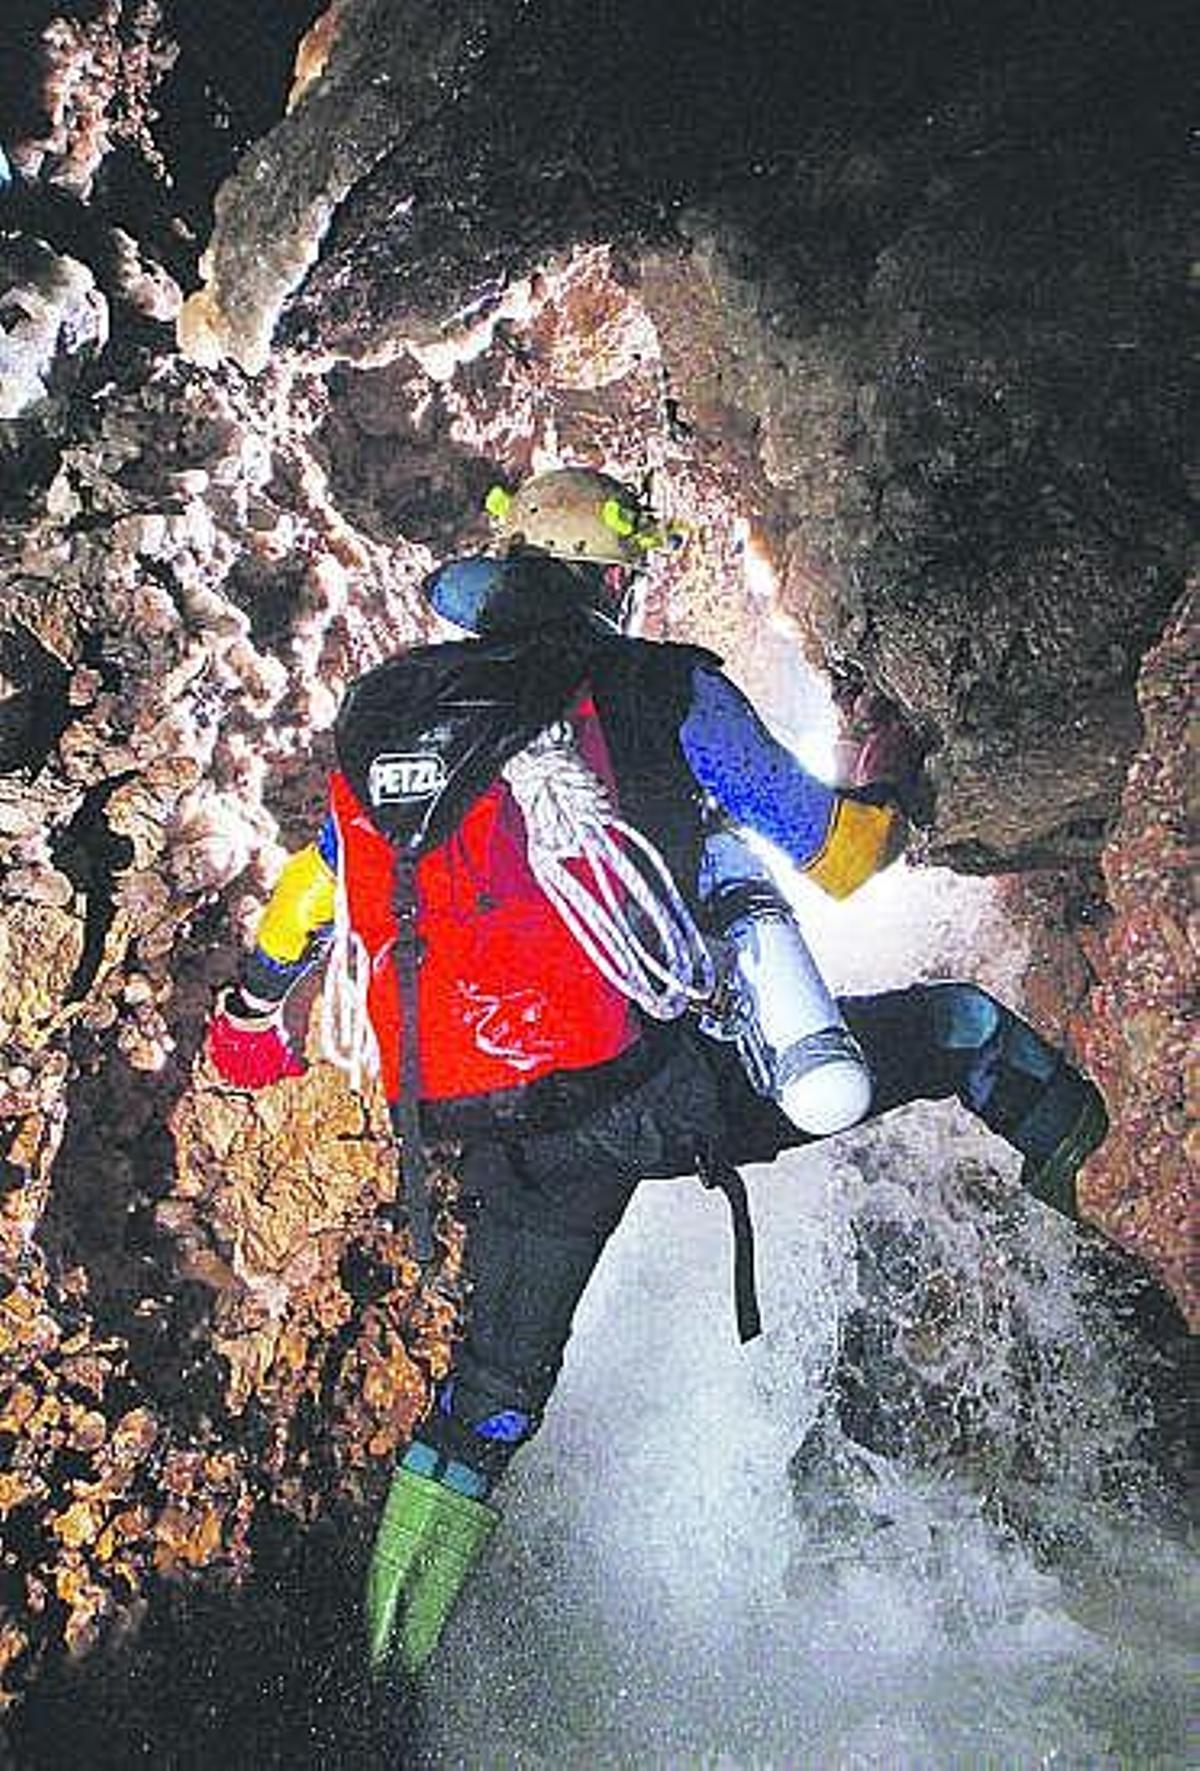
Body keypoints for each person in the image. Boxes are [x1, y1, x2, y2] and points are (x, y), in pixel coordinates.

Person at [205, 466, 1109, 1680]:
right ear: (613, 581)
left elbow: (318, 889)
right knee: (957, 1028)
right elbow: (838, 856)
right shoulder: (656, 683)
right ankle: (1106, 1195)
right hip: (652, 1095)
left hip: (487, 1121)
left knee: (488, 1404)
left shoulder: (400, 710)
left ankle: (382, 1685)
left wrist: (252, 1019)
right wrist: (888, 764)